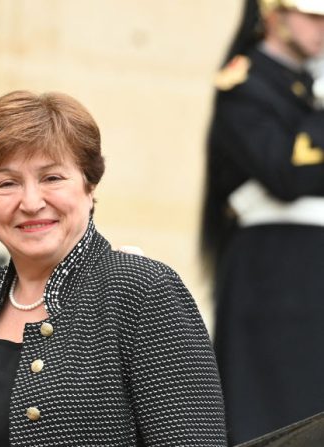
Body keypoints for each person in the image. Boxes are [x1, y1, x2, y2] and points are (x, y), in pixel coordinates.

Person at [0, 91, 228, 446]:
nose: (31, 202)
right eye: (7, 183)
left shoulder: (142, 290)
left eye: (52, 178)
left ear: (89, 186)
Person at [201, 0, 324, 443]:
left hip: (313, 269)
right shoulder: (245, 80)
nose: (322, 29)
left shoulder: (308, 86)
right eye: (312, 17)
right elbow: (286, 173)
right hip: (273, 270)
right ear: (275, 15)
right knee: (274, 411)